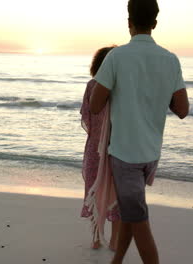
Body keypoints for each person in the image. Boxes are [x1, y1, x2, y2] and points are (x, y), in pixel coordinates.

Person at [89, 0, 189, 263]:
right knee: (129, 210)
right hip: (151, 154)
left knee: (137, 216)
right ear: (155, 24)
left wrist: (121, 88)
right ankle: (116, 260)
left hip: (125, 154)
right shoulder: (170, 59)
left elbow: (95, 104)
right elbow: (182, 109)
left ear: (129, 22)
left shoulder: (117, 56)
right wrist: (155, 92)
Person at [80, 46, 120, 251]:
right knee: (116, 194)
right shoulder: (121, 86)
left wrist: (96, 134)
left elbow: (86, 118)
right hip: (118, 148)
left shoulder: (92, 85)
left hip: (95, 148)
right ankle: (114, 241)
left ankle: (96, 239)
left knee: (95, 190)